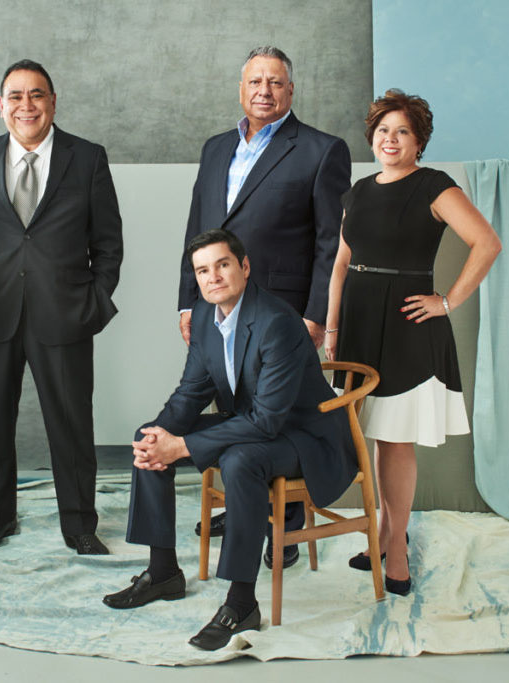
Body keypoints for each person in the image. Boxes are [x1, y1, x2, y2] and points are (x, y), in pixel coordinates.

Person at [104, 230, 354, 649]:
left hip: (304, 436)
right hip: (251, 425)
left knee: (240, 460)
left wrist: (181, 446)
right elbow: (192, 392)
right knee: (147, 436)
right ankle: (163, 570)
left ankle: (241, 604)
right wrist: (162, 436)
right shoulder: (205, 315)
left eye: (222, 264)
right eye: (203, 270)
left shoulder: (276, 322)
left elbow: (269, 421)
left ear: (244, 267)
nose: (213, 277)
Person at [179, 46, 351, 568]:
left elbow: (331, 242)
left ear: (290, 91)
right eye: (255, 81)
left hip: (285, 311)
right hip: (217, 305)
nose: (264, 91)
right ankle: (247, 500)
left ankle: (288, 523)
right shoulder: (215, 149)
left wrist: (317, 313)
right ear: (241, 88)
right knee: (231, 402)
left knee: (279, 413)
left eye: (275, 83)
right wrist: (188, 300)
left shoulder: (321, 150)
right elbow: (197, 232)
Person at [325, 90, 501, 596]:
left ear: (418, 141)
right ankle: (382, 535)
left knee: (396, 439)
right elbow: (340, 265)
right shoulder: (357, 191)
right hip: (358, 323)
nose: (390, 139)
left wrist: (447, 302)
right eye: (383, 130)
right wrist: (333, 329)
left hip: (406, 324)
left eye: (402, 131)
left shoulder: (434, 186)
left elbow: (487, 243)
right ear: (372, 137)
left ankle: (397, 548)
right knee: (375, 434)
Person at [0, 59, 123, 555]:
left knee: (71, 424)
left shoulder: (86, 158)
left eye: (37, 95)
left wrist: (95, 301)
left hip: (65, 313)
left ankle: (79, 525)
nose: (27, 105)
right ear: (2, 106)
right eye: (16, 96)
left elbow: (108, 241)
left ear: (53, 102)